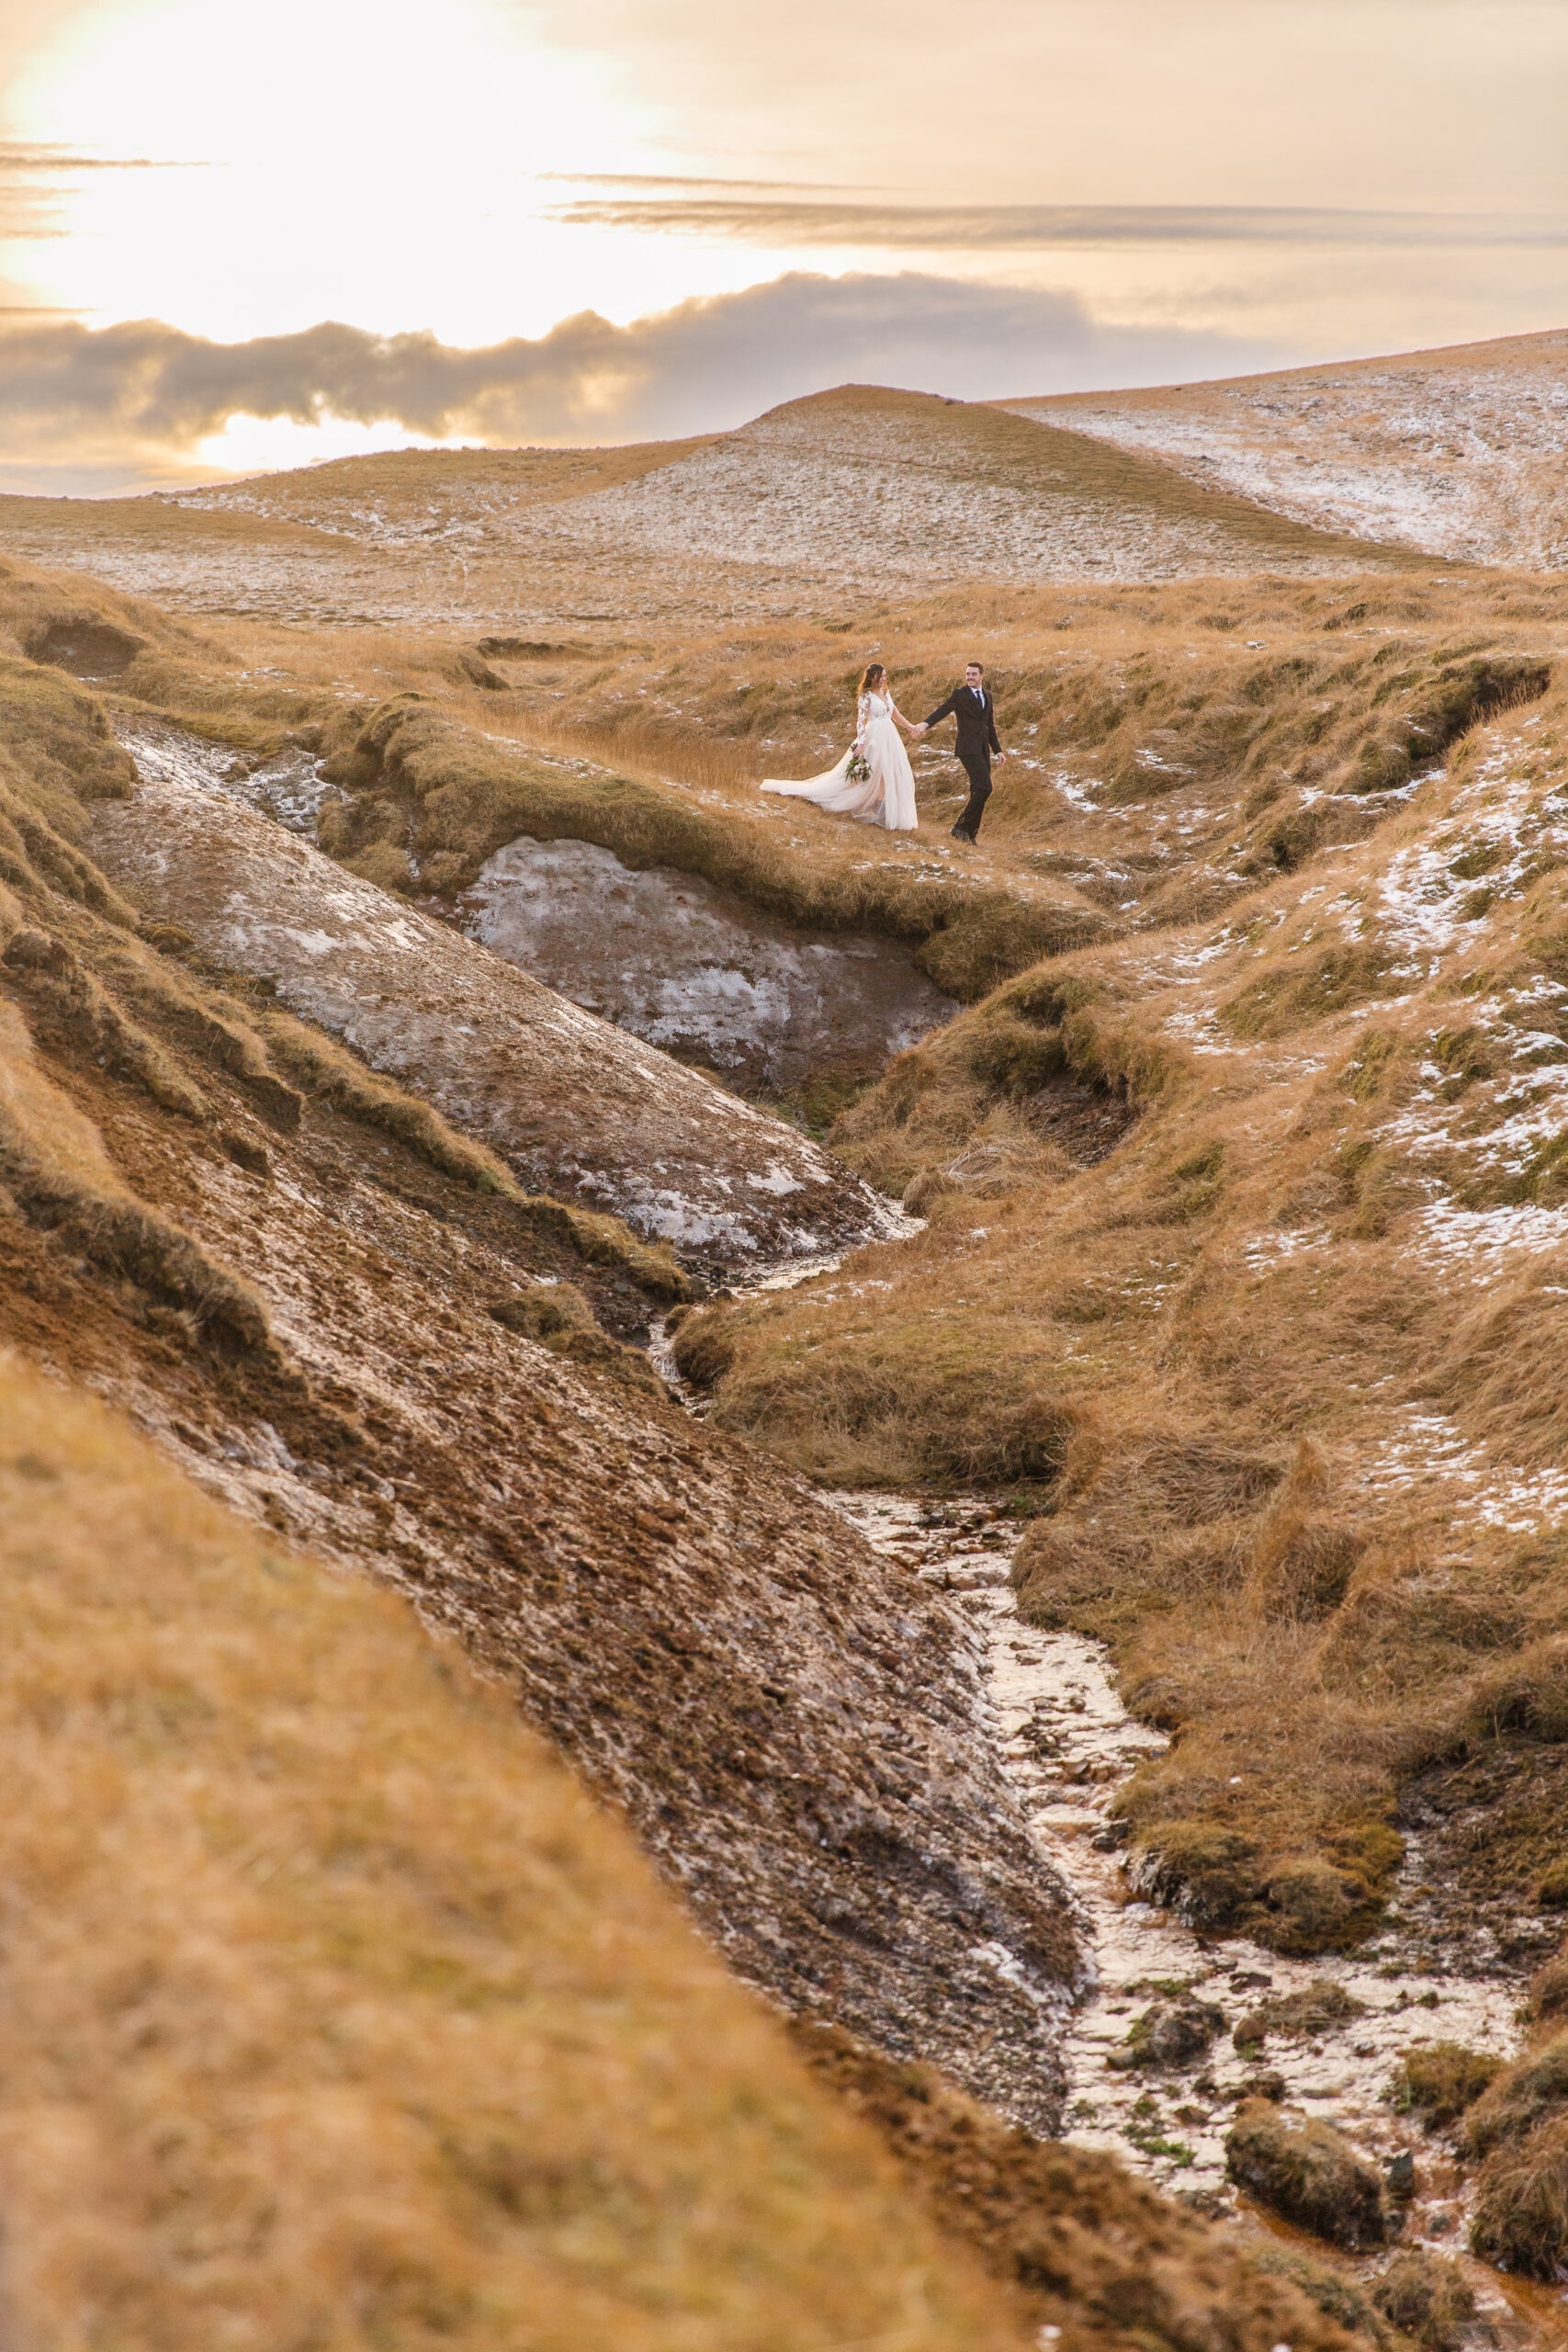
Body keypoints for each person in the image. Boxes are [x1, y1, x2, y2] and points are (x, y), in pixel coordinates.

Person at [760, 662, 919, 831]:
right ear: (873, 677)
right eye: (882, 676)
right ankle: (875, 806)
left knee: (891, 771)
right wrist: (861, 743)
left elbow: (894, 713)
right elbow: (861, 720)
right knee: (874, 773)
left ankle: (883, 808)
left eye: (885, 676)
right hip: (874, 737)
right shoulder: (866, 695)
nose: (885, 679)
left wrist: (910, 727)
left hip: (890, 738)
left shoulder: (885, 692)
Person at [914, 662, 1005, 842]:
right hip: (967, 749)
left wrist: (998, 751)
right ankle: (960, 827)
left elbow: (989, 725)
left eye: (973, 674)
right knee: (985, 787)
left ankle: (969, 834)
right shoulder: (960, 695)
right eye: (968, 674)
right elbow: (943, 710)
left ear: (981, 676)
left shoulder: (988, 695)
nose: (970, 677)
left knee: (978, 791)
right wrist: (925, 724)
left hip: (983, 749)